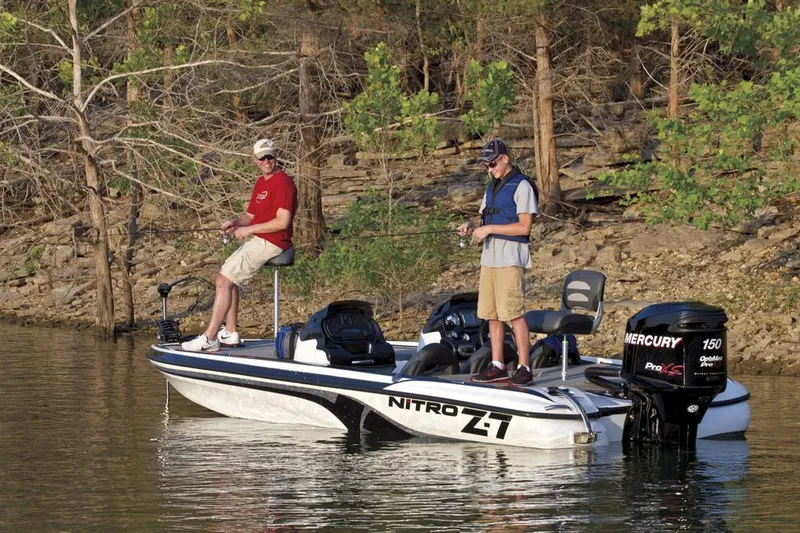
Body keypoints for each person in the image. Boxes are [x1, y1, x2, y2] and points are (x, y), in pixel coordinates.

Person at [181, 138, 298, 352]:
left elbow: (283, 222)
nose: (267, 161)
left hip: (272, 241)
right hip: (259, 238)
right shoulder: (261, 183)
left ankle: (210, 338)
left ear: (276, 156)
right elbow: (250, 215)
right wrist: (235, 223)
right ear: (255, 159)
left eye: (270, 156)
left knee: (223, 281)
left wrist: (249, 230)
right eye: (262, 157)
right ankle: (231, 332)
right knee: (226, 277)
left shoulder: (283, 183)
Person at [458, 139, 539, 385]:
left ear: (504, 159)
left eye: (492, 163)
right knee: (492, 315)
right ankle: (497, 364)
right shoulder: (491, 186)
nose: (489, 168)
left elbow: (525, 226)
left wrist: (489, 228)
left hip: (510, 257)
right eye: (485, 165)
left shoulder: (522, 185)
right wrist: (471, 226)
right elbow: (484, 219)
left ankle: (525, 366)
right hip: (490, 258)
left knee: (513, 313)